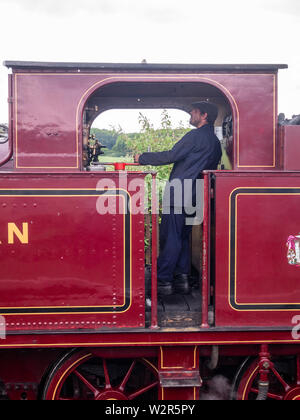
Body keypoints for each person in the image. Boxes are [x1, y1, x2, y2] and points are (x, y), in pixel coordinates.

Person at [134, 102, 222, 296]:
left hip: (179, 192)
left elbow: (171, 155)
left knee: (170, 237)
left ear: (204, 115)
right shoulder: (215, 143)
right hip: (197, 194)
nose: (190, 114)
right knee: (182, 237)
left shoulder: (195, 136)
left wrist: (142, 157)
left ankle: (163, 280)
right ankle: (182, 280)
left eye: (194, 111)